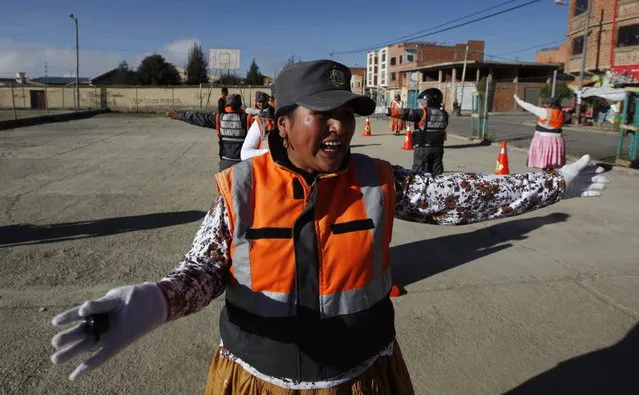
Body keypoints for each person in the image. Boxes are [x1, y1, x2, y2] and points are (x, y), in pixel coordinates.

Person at [51, 60, 610, 395]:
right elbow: (203, 270)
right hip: (260, 379)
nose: (340, 128)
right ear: (282, 121)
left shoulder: (379, 179)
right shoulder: (242, 187)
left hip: (362, 375)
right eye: (324, 114)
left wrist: (555, 184)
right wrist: (155, 302)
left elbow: (467, 196)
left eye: (347, 112)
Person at [167, 94, 252, 171]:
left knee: (225, 187)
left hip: (225, 162)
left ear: (227, 104)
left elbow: (199, 118)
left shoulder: (219, 118)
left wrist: (178, 115)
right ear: (240, 104)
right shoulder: (248, 119)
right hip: (243, 162)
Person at [380, 88, 448, 175]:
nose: (421, 103)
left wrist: (388, 111)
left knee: (419, 175)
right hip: (438, 149)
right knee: (437, 174)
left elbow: (405, 113)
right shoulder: (444, 114)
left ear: (431, 101)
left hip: (423, 149)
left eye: (424, 101)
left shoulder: (422, 113)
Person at [514, 95, 566, 171]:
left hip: (544, 139)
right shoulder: (562, 113)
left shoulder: (545, 112)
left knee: (544, 161)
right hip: (557, 140)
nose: (545, 105)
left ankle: (545, 175)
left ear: (553, 105)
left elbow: (530, 107)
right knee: (552, 161)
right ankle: (551, 175)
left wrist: (517, 99)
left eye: (547, 103)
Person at [240, 91, 276, 160]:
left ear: (267, 101)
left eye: (263, 101)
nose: (261, 104)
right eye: (259, 101)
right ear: (256, 101)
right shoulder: (251, 112)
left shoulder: (270, 113)